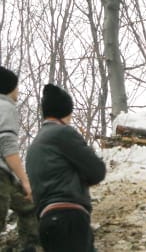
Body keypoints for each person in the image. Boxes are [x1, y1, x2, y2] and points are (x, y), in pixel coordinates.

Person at [26, 83, 106, 252]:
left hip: (46, 222)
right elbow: (97, 171)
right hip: (69, 218)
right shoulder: (63, 133)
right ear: (65, 112)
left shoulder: (34, 146)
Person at [0, 67, 39, 251]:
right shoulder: (6, 107)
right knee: (28, 199)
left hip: (5, 177)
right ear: (9, 88)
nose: (19, 91)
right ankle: (30, 245)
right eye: (17, 87)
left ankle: (29, 245)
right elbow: (8, 147)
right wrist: (25, 180)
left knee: (27, 203)